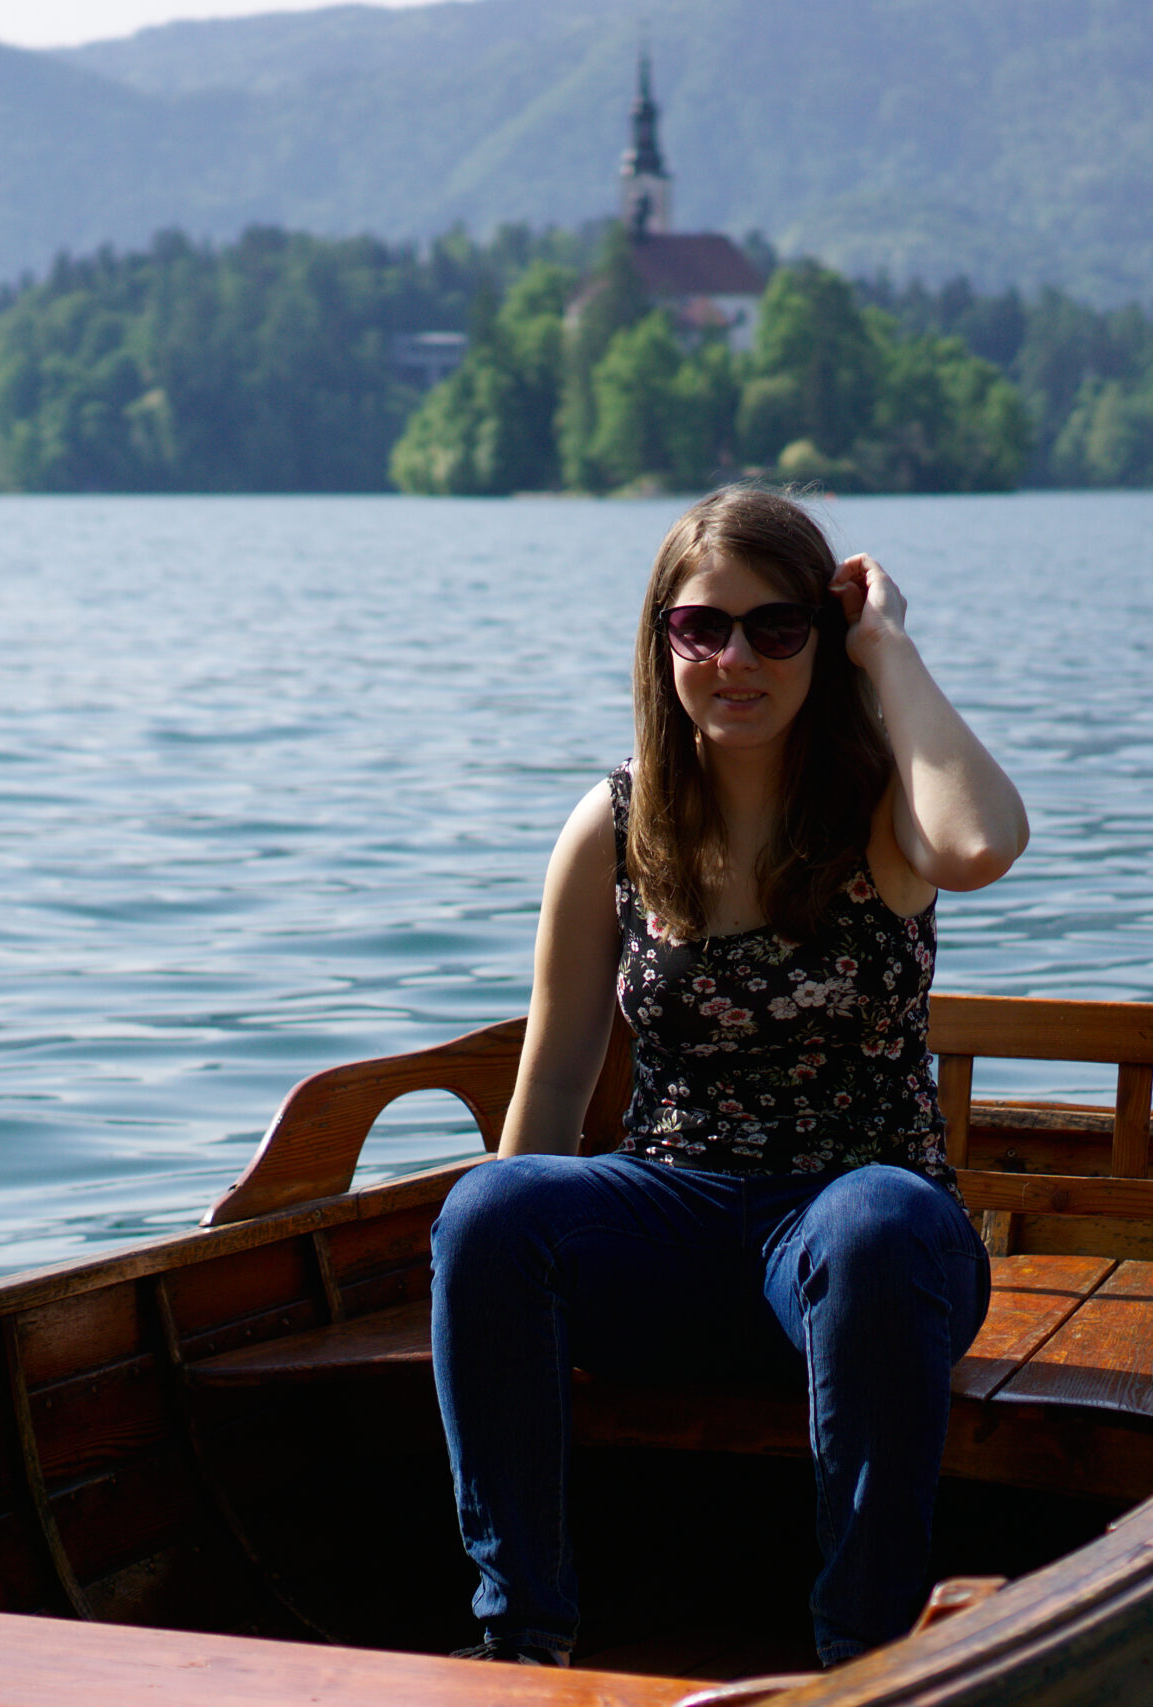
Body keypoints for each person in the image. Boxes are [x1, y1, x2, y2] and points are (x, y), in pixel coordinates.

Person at [430, 485, 1029, 1669]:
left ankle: (862, 1662)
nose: (735, 659)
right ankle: (521, 1640)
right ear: (662, 643)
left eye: (776, 627)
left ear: (821, 638)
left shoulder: (884, 813)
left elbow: (981, 843)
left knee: (874, 1222)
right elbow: (554, 1080)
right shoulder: (617, 824)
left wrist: (886, 645)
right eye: (702, 627)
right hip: (671, 1230)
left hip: (861, 1245)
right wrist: (493, 1286)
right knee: (486, 1208)